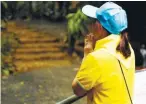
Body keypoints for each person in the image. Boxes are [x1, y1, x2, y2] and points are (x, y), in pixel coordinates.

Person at [72, 2, 135, 104]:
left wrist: (87, 54)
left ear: (99, 27)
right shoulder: (128, 49)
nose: (91, 26)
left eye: (93, 22)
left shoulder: (97, 58)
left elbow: (77, 90)